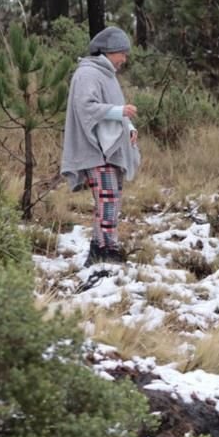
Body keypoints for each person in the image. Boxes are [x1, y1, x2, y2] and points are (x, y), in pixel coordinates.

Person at [61, 26, 141, 265]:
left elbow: (115, 112)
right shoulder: (88, 74)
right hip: (95, 151)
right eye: (122, 53)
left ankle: (99, 248)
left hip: (110, 151)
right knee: (107, 201)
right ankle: (107, 250)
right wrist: (119, 111)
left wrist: (129, 129)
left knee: (111, 200)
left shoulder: (107, 75)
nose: (124, 59)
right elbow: (86, 107)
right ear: (109, 50)